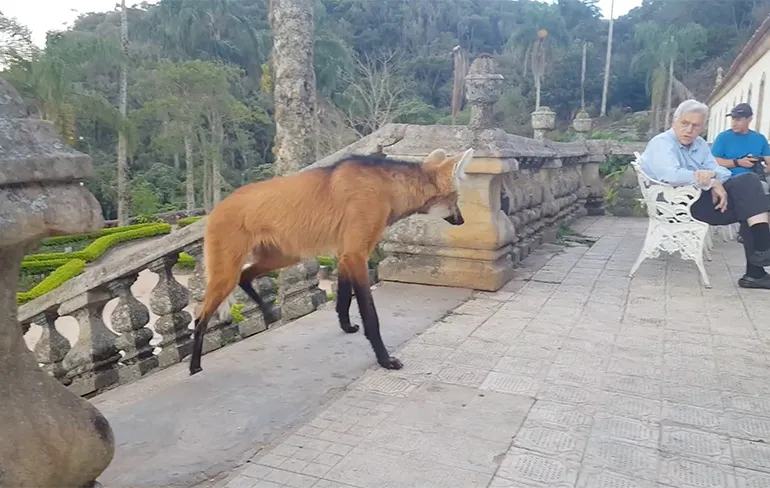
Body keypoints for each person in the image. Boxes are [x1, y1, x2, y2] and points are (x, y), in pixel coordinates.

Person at [640, 99, 770, 289]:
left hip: (702, 199)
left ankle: (759, 259)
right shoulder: (662, 143)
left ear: (702, 127)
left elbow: (721, 171)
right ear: (674, 122)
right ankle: (760, 257)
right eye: (685, 123)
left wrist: (713, 178)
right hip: (681, 205)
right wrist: (710, 181)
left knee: (750, 186)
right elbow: (670, 174)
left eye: (696, 125)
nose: (689, 130)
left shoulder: (699, 144)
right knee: (752, 199)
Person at [711, 102, 770, 190]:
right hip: (729, 179)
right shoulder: (723, 137)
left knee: (763, 187)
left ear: (749, 119)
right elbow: (712, 161)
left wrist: (762, 171)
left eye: (738, 120)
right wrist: (738, 162)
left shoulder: (760, 138)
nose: (734, 123)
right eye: (733, 119)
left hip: (755, 181)